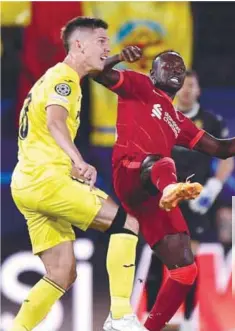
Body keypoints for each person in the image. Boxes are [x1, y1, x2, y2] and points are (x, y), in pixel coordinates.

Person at [94, 47, 235, 331]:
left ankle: (147, 327)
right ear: (153, 74)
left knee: (185, 271)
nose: (176, 69)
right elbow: (99, 73)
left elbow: (221, 149)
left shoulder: (179, 122)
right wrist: (117, 57)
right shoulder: (139, 86)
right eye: (169, 65)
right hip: (130, 172)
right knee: (161, 161)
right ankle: (170, 188)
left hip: (155, 196)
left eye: (180, 67)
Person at [10, 17, 148, 331]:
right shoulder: (64, 80)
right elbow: (56, 121)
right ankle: (121, 315)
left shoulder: (57, 76)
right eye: (101, 41)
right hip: (48, 180)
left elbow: (47, 129)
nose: (107, 47)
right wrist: (78, 159)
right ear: (79, 44)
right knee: (128, 221)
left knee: (61, 273)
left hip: (27, 183)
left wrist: (115, 59)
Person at [145, 70, 235, 331]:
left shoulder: (212, 121)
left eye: (191, 85)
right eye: (180, 85)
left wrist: (213, 187)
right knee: (157, 254)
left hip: (197, 198)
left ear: (198, 90)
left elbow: (227, 159)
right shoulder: (160, 118)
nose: (185, 90)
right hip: (165, 195)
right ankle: (152, 319)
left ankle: (188, 321)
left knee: (189, 259)